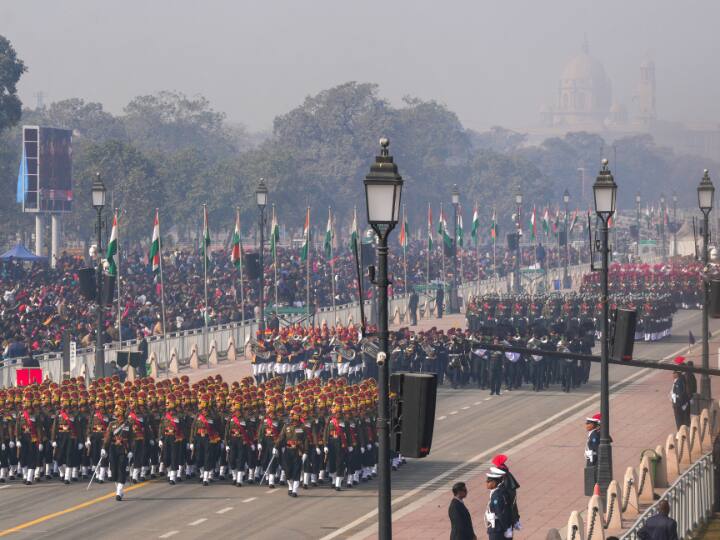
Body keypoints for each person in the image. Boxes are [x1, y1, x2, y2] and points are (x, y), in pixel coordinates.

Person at [484, 468, 512, 540]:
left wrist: (506, 528)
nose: (486, 483)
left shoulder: (497, 495)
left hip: (497, 529)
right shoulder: (496, 492)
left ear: (494, 482)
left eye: (488, 481)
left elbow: (500, 513)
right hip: (498, 528)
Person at [671, 361, 690, 429]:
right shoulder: (681, 379)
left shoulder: (678, 382)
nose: (672, 374)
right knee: (683, 421)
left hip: (679, 405)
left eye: (674, 373)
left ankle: (681, 435)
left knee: (679, 422)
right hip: (681, 404)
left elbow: (680, 394)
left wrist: (680, 404)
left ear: (677, 373)